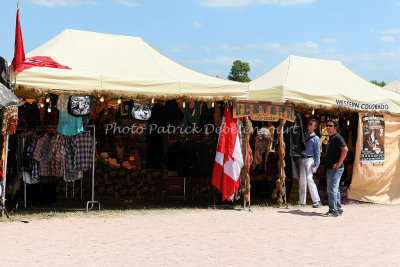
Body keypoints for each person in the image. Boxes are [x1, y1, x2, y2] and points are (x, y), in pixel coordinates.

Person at [324, 119, 348, 217]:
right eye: (327, 125)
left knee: (331, 189)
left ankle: (333, 210)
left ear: (335, 127)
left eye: (330, 125)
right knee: (335, 189)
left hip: (335, 168)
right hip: (332, 168)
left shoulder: (337, 137)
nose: (328, 127)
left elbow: (345, 149)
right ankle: (338, 209)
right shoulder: (332, 138)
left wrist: (339, 163)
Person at [299, 119, 321, 208]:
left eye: (310, 124)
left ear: (314, 127)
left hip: (309, 160)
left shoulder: (316, 138)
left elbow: (317, 153)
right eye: (308, 123)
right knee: (302, 181)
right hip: (302, 158)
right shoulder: (303, 135)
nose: (308, 125)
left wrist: (316, 166)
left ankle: (317, 200)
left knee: (309, 178)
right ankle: (301, 201)